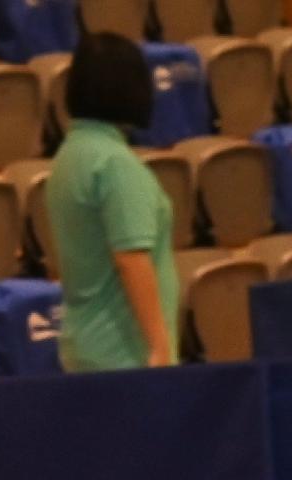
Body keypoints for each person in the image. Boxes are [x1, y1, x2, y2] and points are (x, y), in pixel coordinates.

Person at [48, 35, 181, 372]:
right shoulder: (115, 164)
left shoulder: (68, 156)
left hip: (84, 348)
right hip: (126, 356)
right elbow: (131, 258)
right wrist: (160, 350)